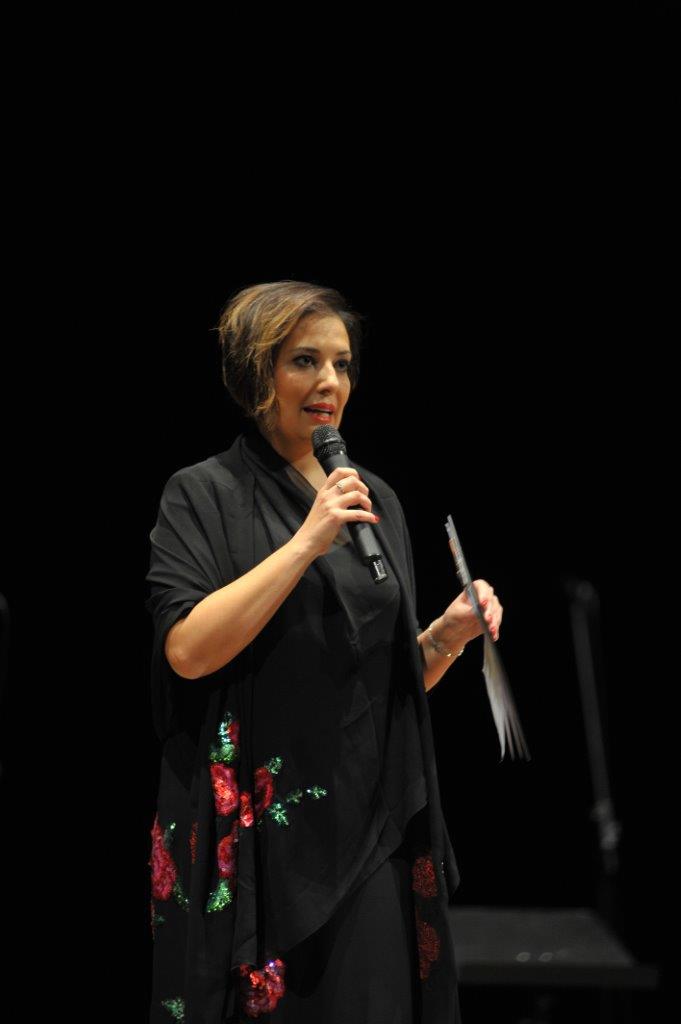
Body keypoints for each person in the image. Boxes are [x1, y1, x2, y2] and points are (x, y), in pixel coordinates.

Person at [146, 280, 503, 1023]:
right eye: (304, 361)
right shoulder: (202, 494)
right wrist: (306, 541)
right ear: (257, 373)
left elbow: (380, 683)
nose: (330, 383)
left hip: (367, 825)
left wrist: (444, 637)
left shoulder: (374, 499)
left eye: (342, 364)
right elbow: (186, 651)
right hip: (253, 836)